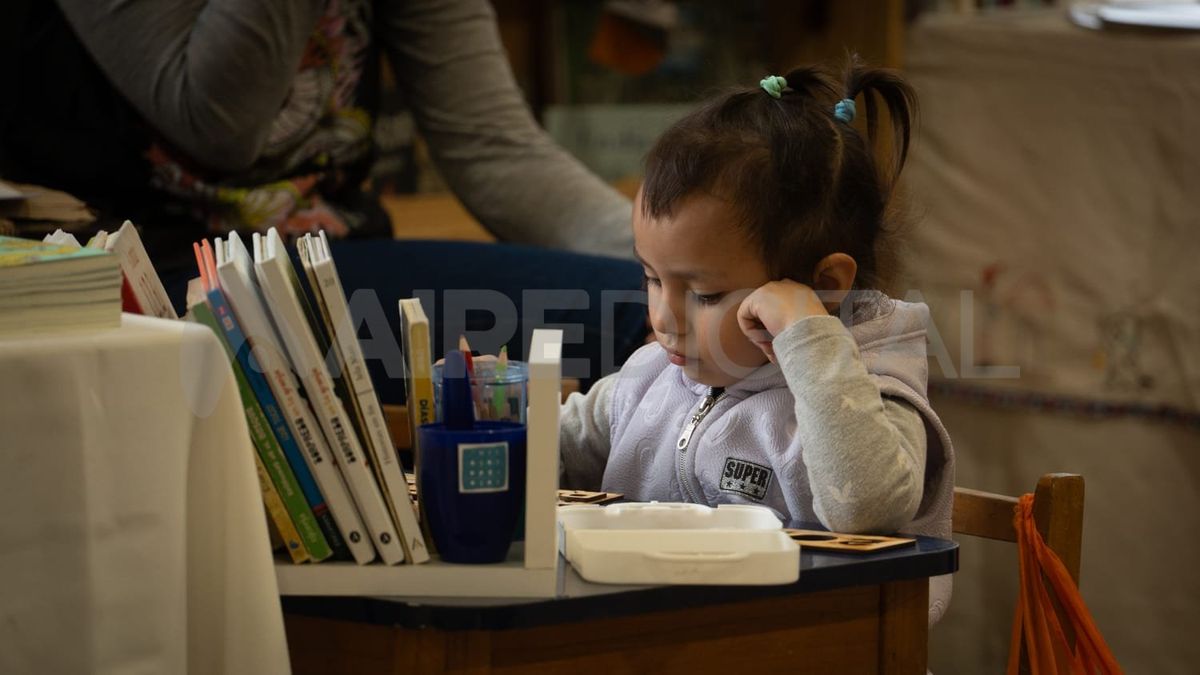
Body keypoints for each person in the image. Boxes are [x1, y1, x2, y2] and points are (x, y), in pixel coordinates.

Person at [0, 0, 646, 399]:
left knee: (668, 312)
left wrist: (691, 267)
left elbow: (495, 150)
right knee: (642, 323)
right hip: (149, 284)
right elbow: (217, 122)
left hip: (328, 255)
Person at [557, 59, 955, 624]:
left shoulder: (865, 397)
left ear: (820, 288)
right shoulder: (651, 379)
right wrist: (483, 428)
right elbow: (560, 447)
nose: (664, 318)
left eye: (705, 294)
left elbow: (865, 506)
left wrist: (807, 338)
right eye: (651, 278)